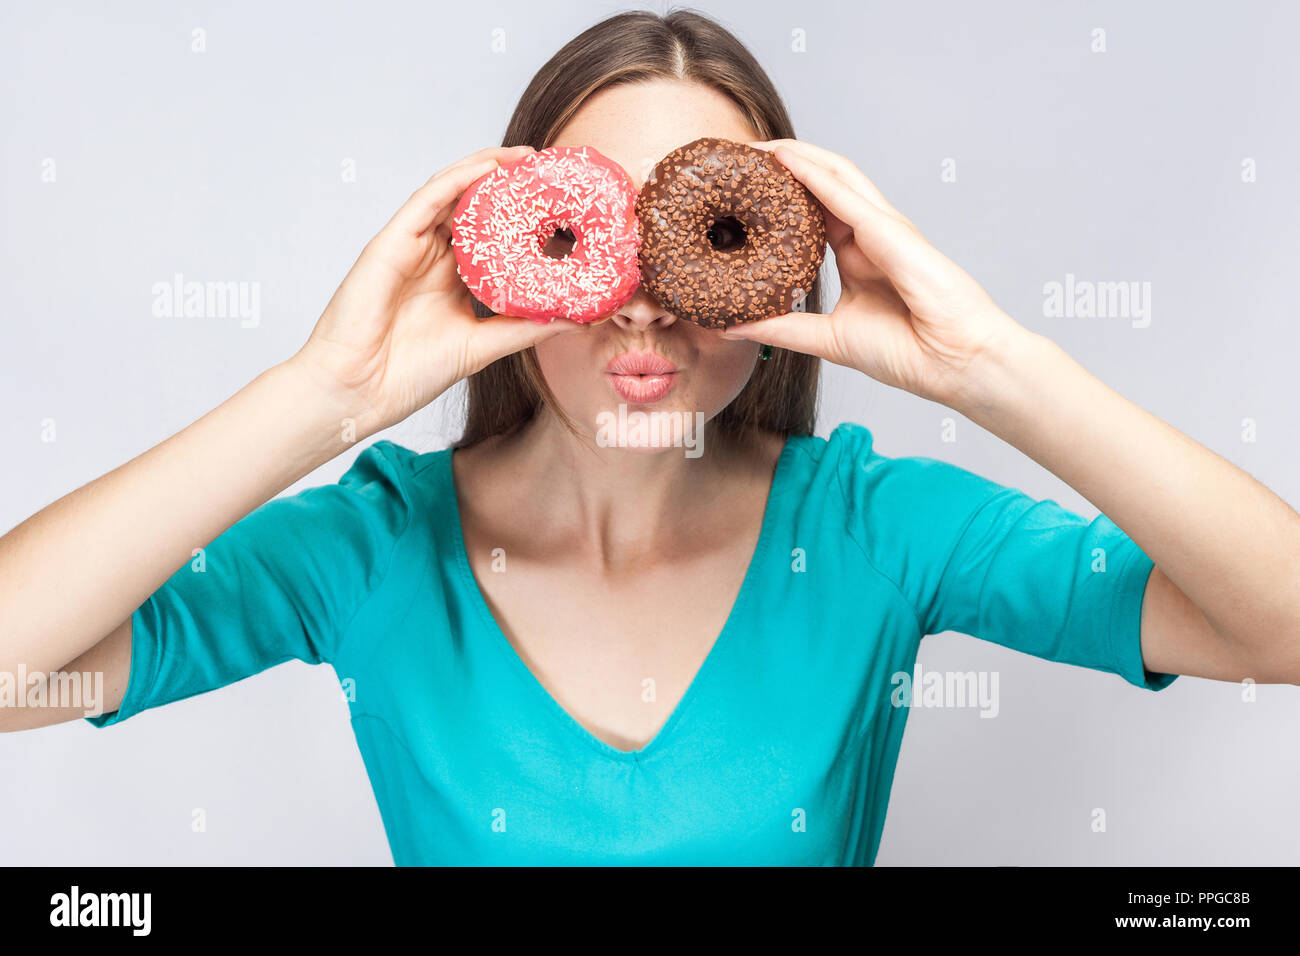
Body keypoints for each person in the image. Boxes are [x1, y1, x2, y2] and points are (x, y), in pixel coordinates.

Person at [2, 10, 1297, 866]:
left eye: (702, 235)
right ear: (505, 250)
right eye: (590, 232)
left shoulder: (869, 531)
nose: (644, 301)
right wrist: (319, 397)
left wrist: (995, 367)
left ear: (780, 260)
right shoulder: (378, 547)